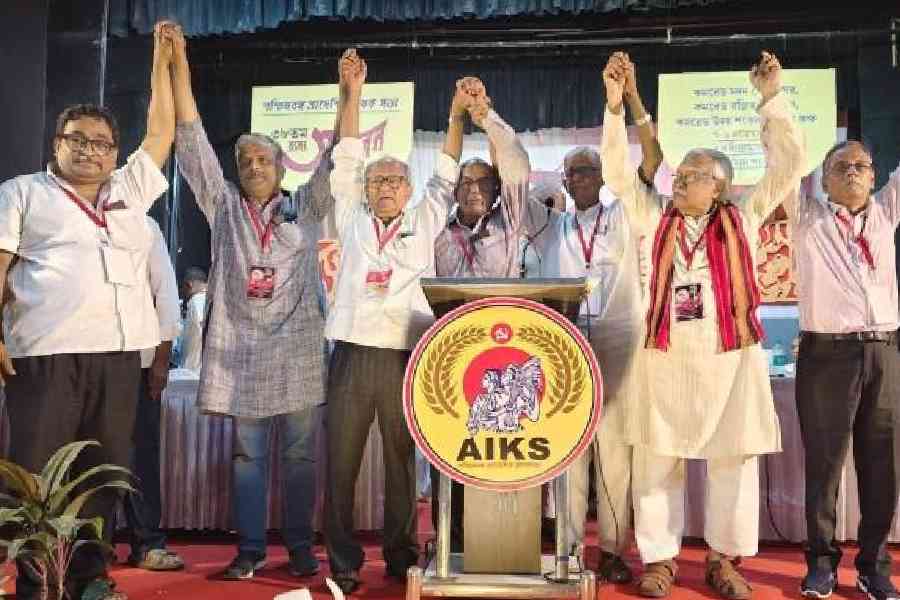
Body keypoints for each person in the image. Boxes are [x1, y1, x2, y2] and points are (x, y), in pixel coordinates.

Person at [600, 51, 805, 599]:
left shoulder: (744, 216)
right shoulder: (653, 218)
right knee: (656, 463)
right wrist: (615, 107)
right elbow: (619, 174)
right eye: (680, 172)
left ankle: (723, 560)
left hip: (729, 362)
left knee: (731, 463)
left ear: (718, 186)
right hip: (664, 360)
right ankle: (661, 560)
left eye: (693, 174)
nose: (680, 179)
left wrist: (772, 98)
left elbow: (789, 164)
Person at [0, 22, 175, 600]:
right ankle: (33, 583)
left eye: (101, 142)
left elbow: (162, 130)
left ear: (114, 153)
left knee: (104, 473)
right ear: (57, 144)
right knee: (36, 476)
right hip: (45, 354)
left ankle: (90, 578)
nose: (89, 149)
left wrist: (162, 59)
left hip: (119, 356)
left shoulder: (130, 192)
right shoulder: (22, 192)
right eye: (77, 138)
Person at [168, 24, 338, 580]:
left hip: (296, 348)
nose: (254, 169)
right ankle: (248, 551)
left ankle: (298, 549)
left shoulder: (307, 207)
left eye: (263, 160)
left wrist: (350, 94)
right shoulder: (223, 208)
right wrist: (180, 64)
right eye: (245, 163)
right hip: (240, 349)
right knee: (247, 457)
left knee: (298, 457)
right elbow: (191, 138)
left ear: (281, 166)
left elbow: (341, 157)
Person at [324, 49, 463, 595]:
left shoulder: (425, 219)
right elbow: (348, 154)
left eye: (395, 180)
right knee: (341, 466)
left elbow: (447, 174)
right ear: (366, 188)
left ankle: (403, 555)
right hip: (353, 354)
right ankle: (342, 561)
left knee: (404, 466)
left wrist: (454, 116)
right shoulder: (349, 213)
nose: (384, 186)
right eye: (378, 180)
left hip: (406, 352)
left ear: (408, 190)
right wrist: (352, 93)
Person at [522, 52, 662, 584]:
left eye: (588, 169)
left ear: (603, 173)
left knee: (615, 453)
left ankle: (616, 549)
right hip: (566, 349)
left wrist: (625, 102)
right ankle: (570, 546)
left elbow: (650, 158)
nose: (580, 177)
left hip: (618, 343)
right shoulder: (550, 228)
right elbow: (515, 181)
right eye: (572, 171)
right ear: (563, 178)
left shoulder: (626, 213)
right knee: (570, 451)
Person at [786, 138, 900, 600]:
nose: (852, 172)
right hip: (827, 354)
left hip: (884, 352)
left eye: (861, 166)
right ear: (824, 178)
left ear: (874, 177)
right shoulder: (807, 216)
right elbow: (783, 158)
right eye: (841, 167)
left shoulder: (886, 212)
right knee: (825, 466)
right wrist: (773, 100)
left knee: (883, 466)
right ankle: (820, 564)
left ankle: (874, 567)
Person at [431, 75, 531, 553]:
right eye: (464, 182)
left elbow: (514, 158)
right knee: (450, 450)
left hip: (504, 355)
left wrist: (483, 116)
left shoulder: (510, 220)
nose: (472, 189)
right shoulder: (436, 232)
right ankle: (450, 541)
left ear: (495, 189)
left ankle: (505, 543)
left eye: (481, 182)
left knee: (501, 454)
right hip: (450, 360)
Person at [123, 217, 183, 572]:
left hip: (139, 362)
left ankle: (147, 543)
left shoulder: (143, 226)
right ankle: (83, 549)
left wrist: (161, 360)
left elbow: (165, 293)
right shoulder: (62, 218)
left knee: (140, 458)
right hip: (79, 359)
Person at [179, 266, 207, 373]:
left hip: (195, 369)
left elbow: (202, 326)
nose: (184, 293)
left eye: (183, 288)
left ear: (189, 285)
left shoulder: (197, 300)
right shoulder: (210, 298)